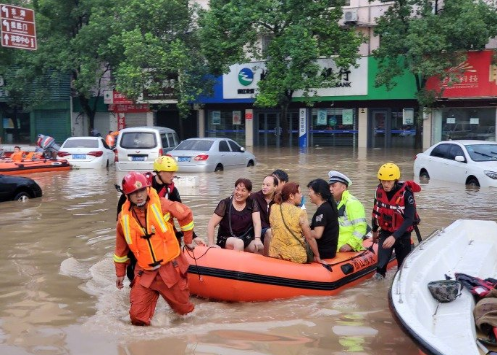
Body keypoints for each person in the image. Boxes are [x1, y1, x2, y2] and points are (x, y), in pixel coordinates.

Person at [113, 172, 195, 326]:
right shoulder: (123, 219)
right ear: (127, 195)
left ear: (147, 189)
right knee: (137, 319)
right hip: (145, 273)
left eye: (141, 190)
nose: (139, 196)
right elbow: (120, 248)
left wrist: (188, 240)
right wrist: (120, 273)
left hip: (170, 269)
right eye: (134, 193)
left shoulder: (163, 204)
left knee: (185, 315)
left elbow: (186, 214)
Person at [117, 156, 200, 281]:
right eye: (170, 172)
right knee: (134, 266)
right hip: (141, 235)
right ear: (160, 172)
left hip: (163, 236)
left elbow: (182, 215)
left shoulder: (172, 191)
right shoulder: (140, 188)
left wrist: (193, 237)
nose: (173, 175)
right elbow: (123, 210)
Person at [371, 163, 420, 279]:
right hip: (386, 232)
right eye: (383, 181)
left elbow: (409, 219)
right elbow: (376, 212)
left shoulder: (406, 194)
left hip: (402, 235)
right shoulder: (378, 191)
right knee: (380, 268)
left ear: (395, 180)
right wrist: (374, 231)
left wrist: (394, 237)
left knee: (402, 270)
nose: (385, 184)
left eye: (389, 181)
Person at [268, 182, 321, 264]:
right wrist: (317, 256)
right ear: (291, 196)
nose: (301, 196)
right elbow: (309, 237)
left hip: (275, 253)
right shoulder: (300, 212)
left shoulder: (273, 207)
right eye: (299, 193)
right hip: (295, 256)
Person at [207, 178, 263, 253]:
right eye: (237, 189)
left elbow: (257, 223)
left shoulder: (252, 203)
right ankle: (238, 264)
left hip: (246, 238)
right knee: (239, 243)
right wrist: (211, 243)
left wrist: (257, 239)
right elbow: (211, 224)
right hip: (227, 238)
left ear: (249, 193)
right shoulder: (225, 203)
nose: (239, 193)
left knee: (259, 247)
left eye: (243, 190)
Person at [328, 171, 368, 252]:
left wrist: (350, 244)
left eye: (333, 186)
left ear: (343, 187)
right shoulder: (335, 203)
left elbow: (361, 227)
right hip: (336, 247)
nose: (330, 189)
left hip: (347, 249)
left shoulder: (352, 203)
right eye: (330, 186)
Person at [307, 178, 339, 259]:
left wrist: (304, 231)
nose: (308, 194)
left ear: (318, 194)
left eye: (310, 191)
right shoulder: (329, 206)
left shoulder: (323, 210)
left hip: (323, 252)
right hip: (330, 250)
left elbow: (317, 234)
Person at [251, 175, 278, 256]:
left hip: (273, 229)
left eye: (268, 185)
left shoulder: (279, 199)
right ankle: (267, 259)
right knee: (269, 231)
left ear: (275, 187)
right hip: (257, 230)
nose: (264, 187)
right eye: (263, 184)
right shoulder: (254, 197)